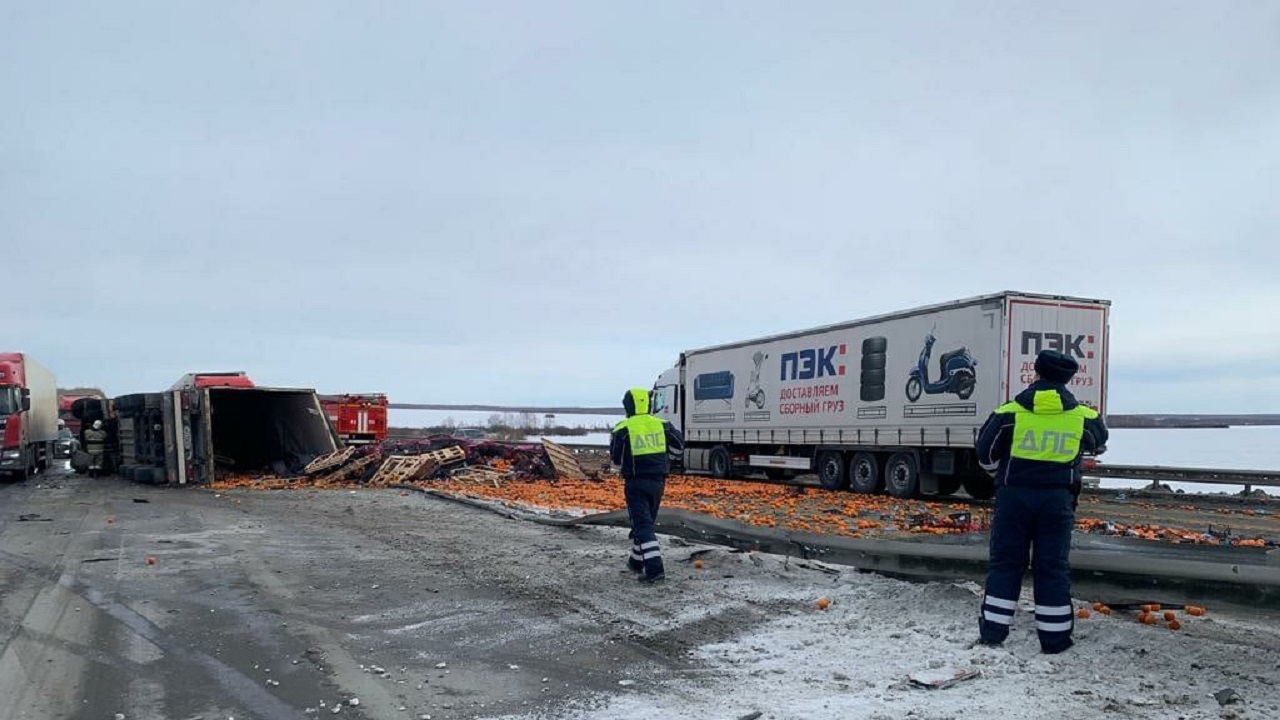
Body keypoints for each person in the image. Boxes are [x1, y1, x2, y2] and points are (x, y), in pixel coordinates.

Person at [975, 349, 1109, 654]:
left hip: (1013, 499)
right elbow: (1098, 443)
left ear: (1035, 373)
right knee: (1052, 568)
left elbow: (984, 454)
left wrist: (1004, 476)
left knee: (1006, 565)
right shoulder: (1084, 416)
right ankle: (1055, 642)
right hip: (1058, 501)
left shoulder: (1009, 412)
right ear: (1068, 378)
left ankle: (993, 636)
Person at [610, 387, 684, 583]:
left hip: (635, 482)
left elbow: (616, 459)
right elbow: (679, 447)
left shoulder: (622, 428)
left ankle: (655, 569)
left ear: (628, 406)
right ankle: (635, 562)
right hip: (658, 482)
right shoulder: (663, 425)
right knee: (646, 523)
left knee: (642, 525)